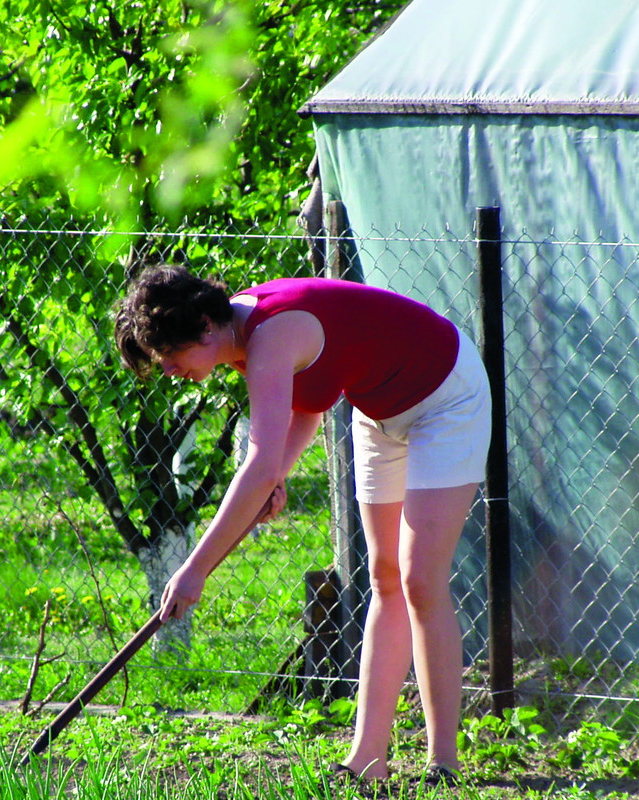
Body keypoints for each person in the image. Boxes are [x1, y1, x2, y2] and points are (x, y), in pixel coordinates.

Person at [114, 265, 492, 786]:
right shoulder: (242, 336)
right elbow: (308, 408)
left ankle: (443, 763)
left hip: (446, 398)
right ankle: (367, 761)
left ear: (204, 325)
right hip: (378, 410)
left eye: (171, 357)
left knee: (419, 580)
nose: (171, 370)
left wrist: (194, 568)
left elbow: (259, 462)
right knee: (384, 579)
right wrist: (277, 476)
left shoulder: (268, 333)